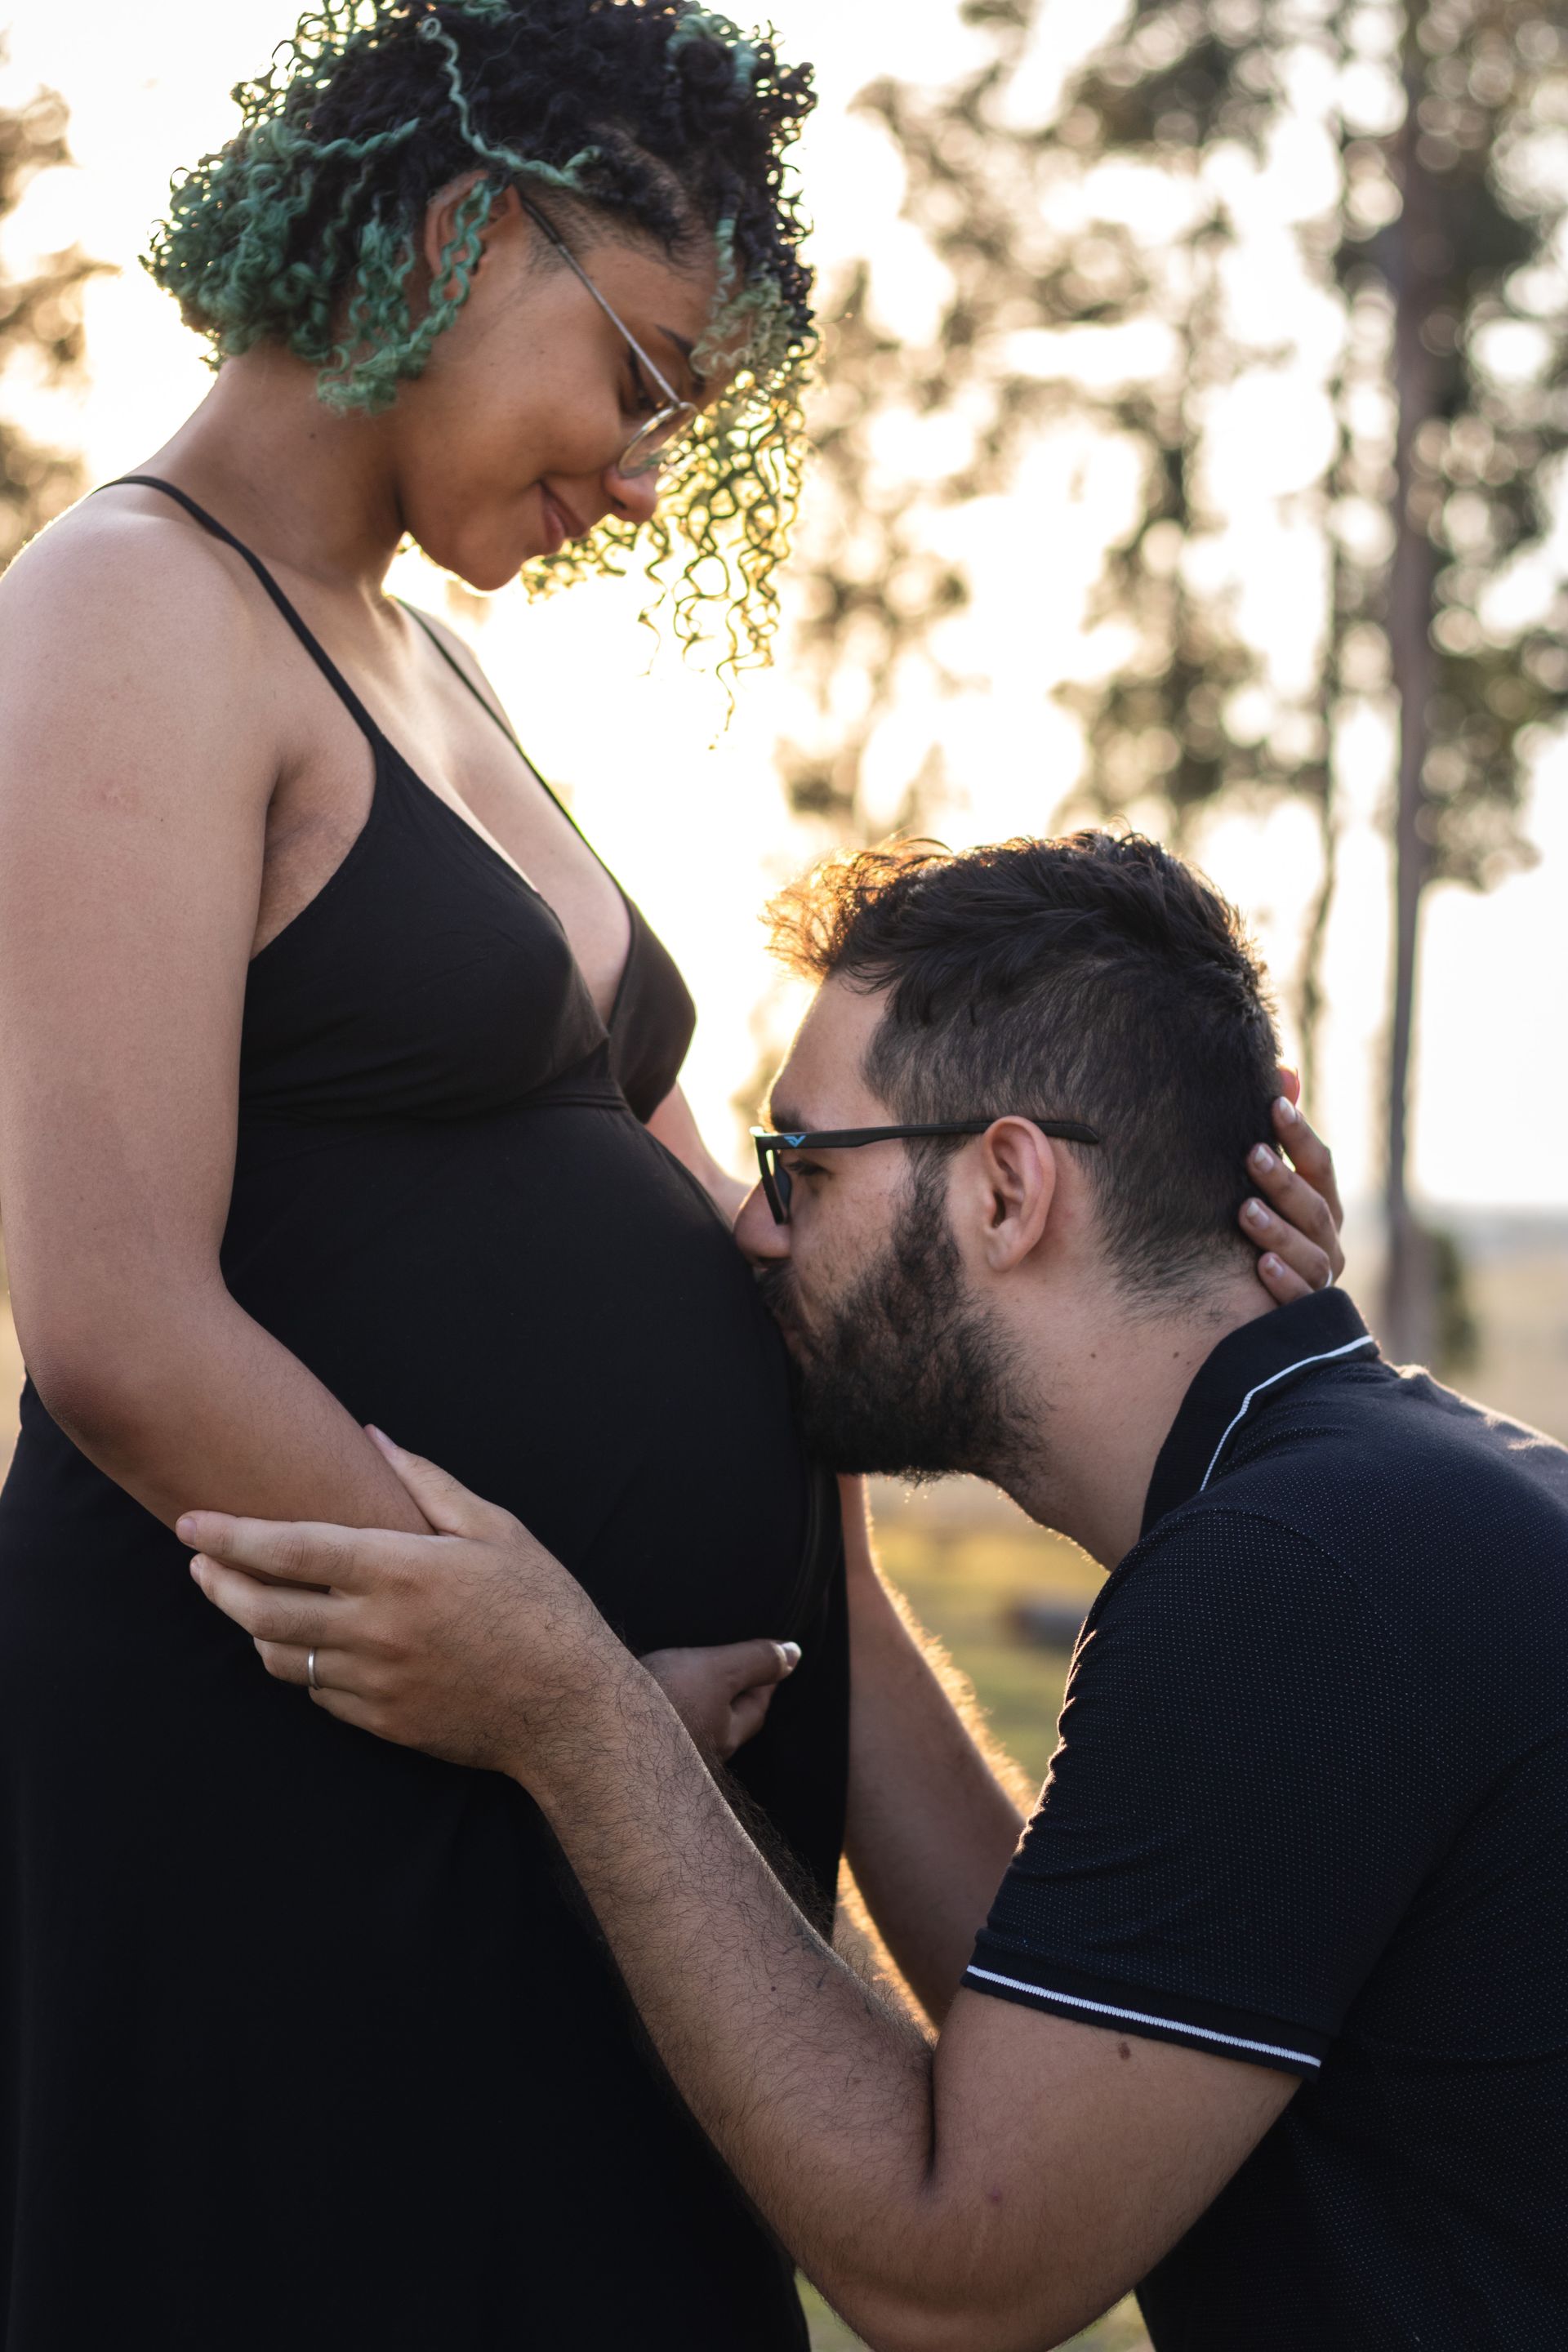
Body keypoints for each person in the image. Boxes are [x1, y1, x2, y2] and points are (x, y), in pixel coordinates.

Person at [189, 832, 1568, 2352]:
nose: (756, 1226)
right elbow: (1058, 2047)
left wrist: (579, 1726)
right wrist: (824, 1569)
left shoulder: (1295, 1584)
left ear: (1007, 1190)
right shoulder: (1393, 1504)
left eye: (803, 1165)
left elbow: (955, 2269)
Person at [0, 6, 843, 2343]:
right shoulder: (129, 606)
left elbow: (696, 1213)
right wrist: (570, 1700)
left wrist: (1112, 1227)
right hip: (306, 1788)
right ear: (466, 229)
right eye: (643, 378)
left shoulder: (423, 663)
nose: (648, 484)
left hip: (550, 1781)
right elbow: (117, 1322)